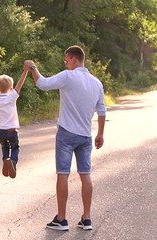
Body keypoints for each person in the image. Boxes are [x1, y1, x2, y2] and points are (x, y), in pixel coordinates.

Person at [25, 45, 106, 231]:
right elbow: (101, 110)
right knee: (85, 175)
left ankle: (61, 219)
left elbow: (43, 84)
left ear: (73, 59)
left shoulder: (68, 76)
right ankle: (87, 218)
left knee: (63, 173)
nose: (66, 63)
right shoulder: (97, 83)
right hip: (86, 135)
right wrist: (100, 133)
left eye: (66, 60)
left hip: (67, 133)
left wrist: (33, 68)